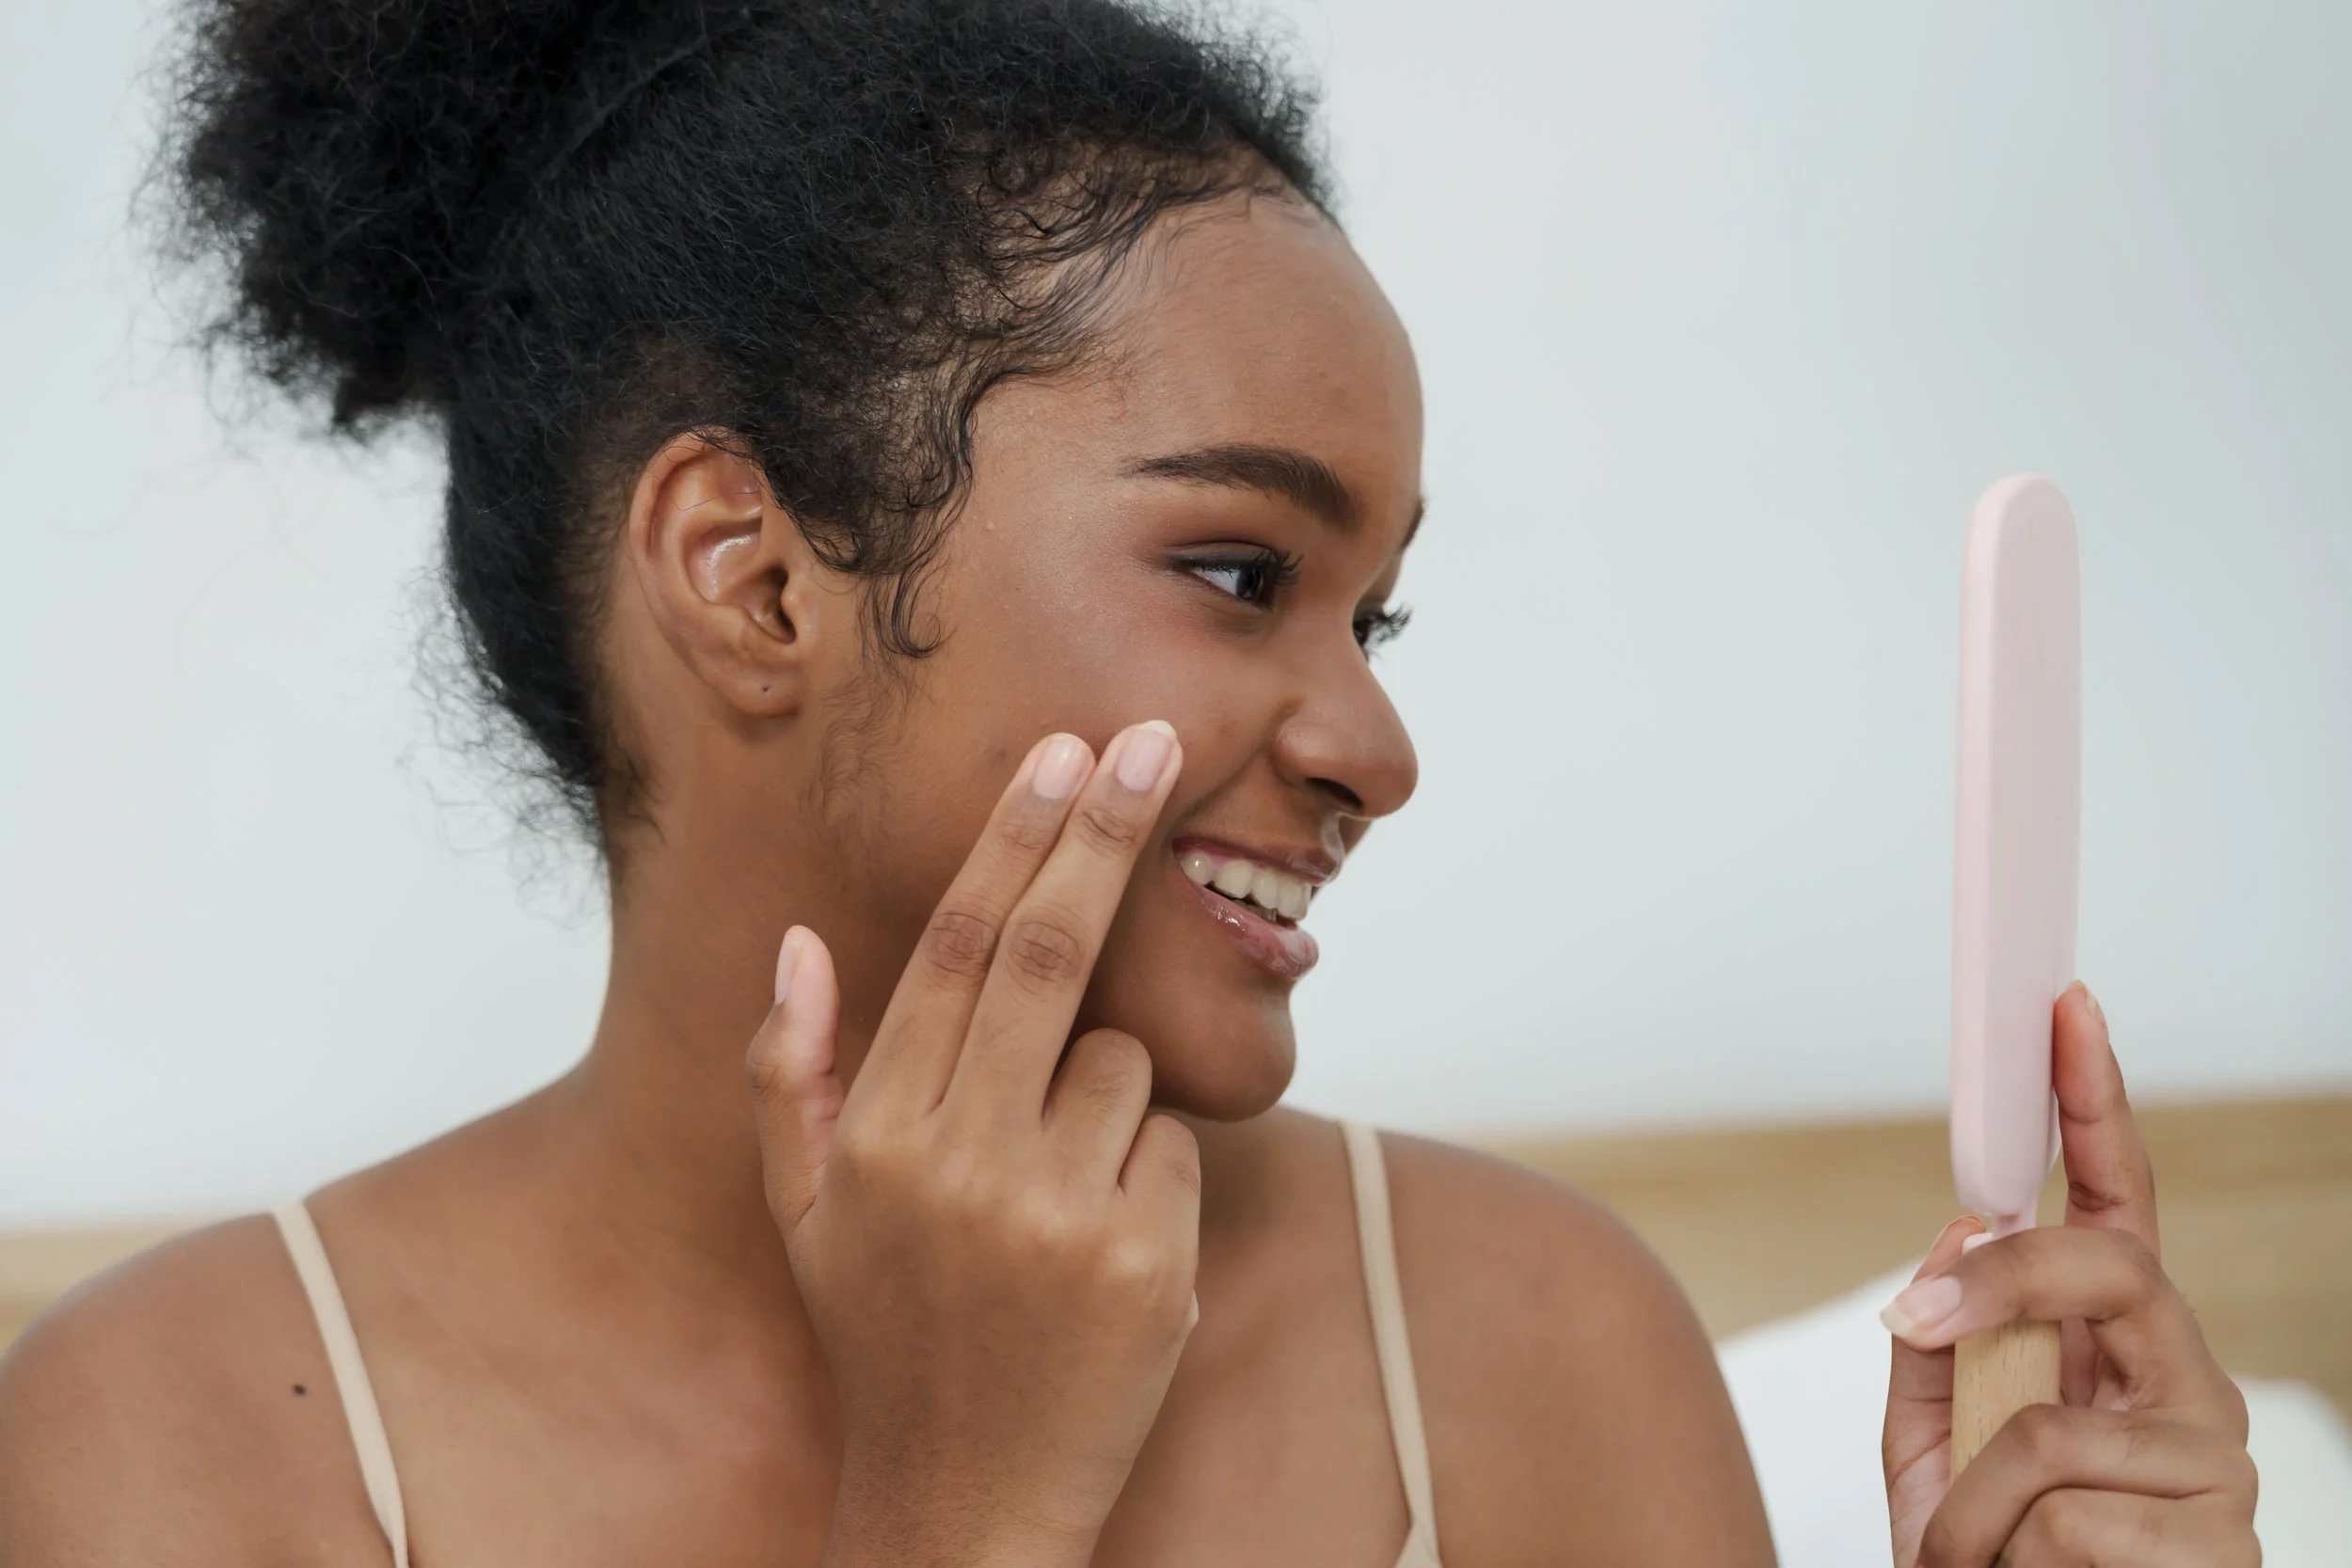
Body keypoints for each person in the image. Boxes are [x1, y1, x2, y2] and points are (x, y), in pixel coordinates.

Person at [0, 1, 2257, 1563]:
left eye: (1366, 616)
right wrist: (958, 1509)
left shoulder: (1530, 1343)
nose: (1372, 741)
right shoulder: (180, 1446)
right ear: (749, 573)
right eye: (1233, 566)